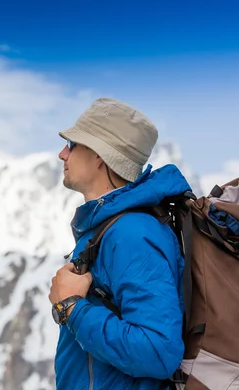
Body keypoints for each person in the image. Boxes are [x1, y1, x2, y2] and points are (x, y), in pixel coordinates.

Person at [49, 98, 191, 389]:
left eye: (73, 144)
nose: (63, 153)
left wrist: (73, 308)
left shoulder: (131, 235)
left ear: (100, 155)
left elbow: (158, 351)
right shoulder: (109, 228)